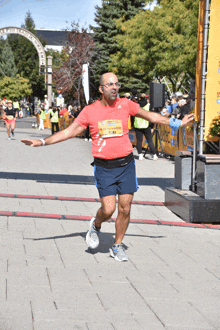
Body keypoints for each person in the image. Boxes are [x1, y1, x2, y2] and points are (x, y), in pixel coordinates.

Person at [21, 72, 194, 262]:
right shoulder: (90, 111)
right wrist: (42, 142)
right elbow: (69, 132)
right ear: (101, 89)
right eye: (110, 84)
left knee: (125, 208)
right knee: (108, 209)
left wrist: (176, 122)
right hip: (104, 168)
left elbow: (151, 116)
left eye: (117, 84)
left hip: (126, 164)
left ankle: (117, 245)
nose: (114, 87)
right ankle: (96, 225)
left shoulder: (125, 104)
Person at [134, 94, 158, 161]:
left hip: (137, 125)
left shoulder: (136, 106)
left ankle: (140, 155)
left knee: (139, 141)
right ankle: (154, 155)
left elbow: (132, 115)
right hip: (147, 125)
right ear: (146, 98)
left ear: (139, 98)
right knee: (150, 140)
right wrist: (152, 126)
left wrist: (133, 123)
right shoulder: (149, 105)